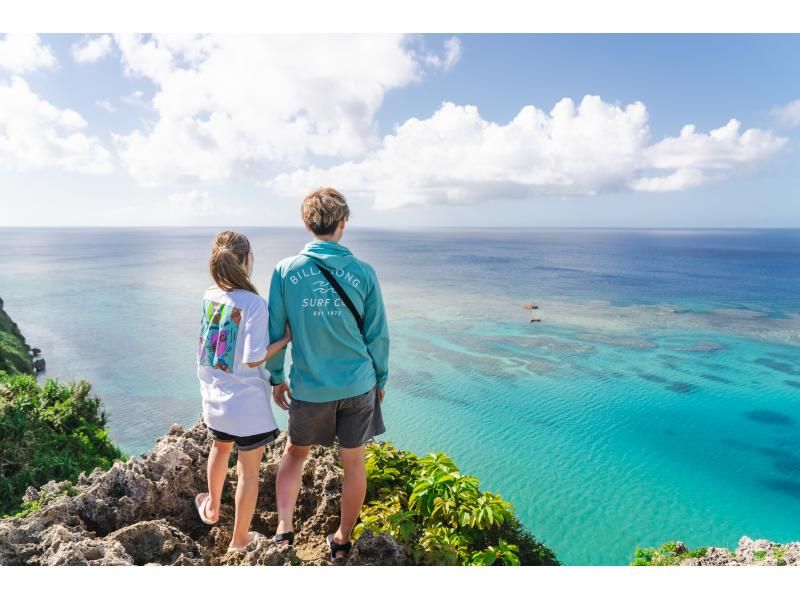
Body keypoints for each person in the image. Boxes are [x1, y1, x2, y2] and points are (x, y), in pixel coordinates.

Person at [266, 187, 389, 561]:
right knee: (354, 464)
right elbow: (377, 334)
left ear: (307, 223)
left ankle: (284, 531)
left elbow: (277, 331)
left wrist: (276, 376)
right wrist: (380, 380)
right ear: (343, 223)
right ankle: (341, 540)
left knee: (294, 453)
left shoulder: (286, 271)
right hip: (358, 384)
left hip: (310, 387)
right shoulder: (364, 273)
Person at [194, 231, 291, 553]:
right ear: (248, 260)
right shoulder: (253, 303)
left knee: (219, 449)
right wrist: (284, 340)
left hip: (214, 400)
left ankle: (212, 507)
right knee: (249, 474)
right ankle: (239, 540)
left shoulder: (209, 296)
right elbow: (253, 358)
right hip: (246, 408)